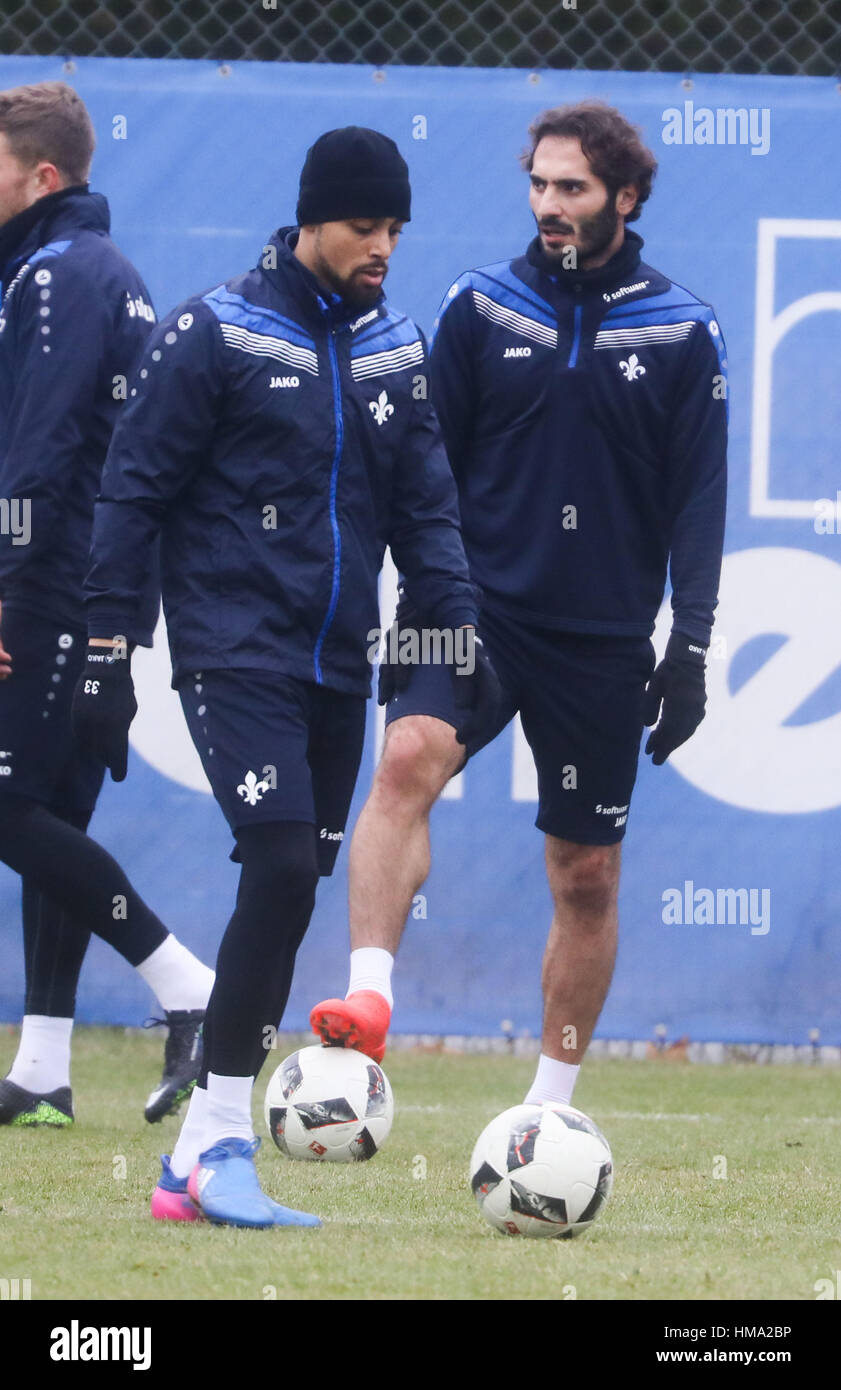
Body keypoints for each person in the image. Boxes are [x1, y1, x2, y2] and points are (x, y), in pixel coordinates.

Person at [73, 127, 497, 1228]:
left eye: (396, 228)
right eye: (365, 225)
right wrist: (106, 652)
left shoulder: (395, 346)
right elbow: (131, 495)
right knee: (273, 862)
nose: (382, 247)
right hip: (232, 650)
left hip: (337, 664)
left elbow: (427, 511)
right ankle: (214, 1142)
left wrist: (452, 641)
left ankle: (195, 1168)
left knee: (296, 881)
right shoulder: (213, 331)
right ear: (312, 218)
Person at [311, 101, 728, 1106]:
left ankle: (546, 1114)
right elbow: (418, 464)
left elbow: (698, 503)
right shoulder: (478, 304)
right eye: (538, 184)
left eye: (572, 188)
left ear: (624, 198)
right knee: (404, 761)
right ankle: (367, 998)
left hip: (601, 635)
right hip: (461, 600)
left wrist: (692, 649)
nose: (549, 205)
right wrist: (405, 595)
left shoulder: (683, 329)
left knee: (584, 874)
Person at [0, 81, 213, 1130]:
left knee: (7, 807)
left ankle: (187, 985)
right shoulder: (97, 269)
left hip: (46, 583)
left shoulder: (55, 274)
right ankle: (43, 1066)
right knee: (54, 812)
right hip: (94, 586)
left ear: (42, 175)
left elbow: (35, 459)